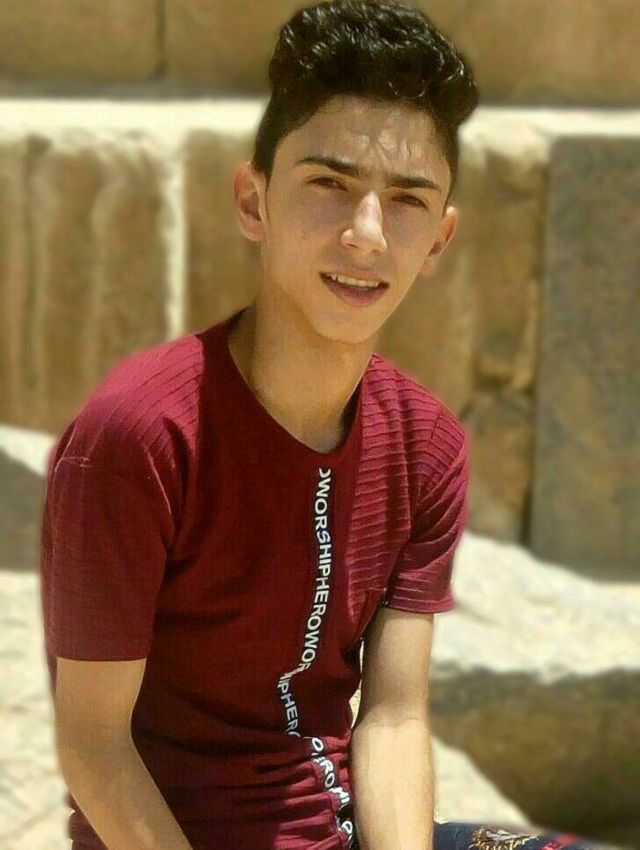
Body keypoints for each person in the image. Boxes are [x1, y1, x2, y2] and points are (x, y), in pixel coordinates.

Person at [39, 1, 609, 849]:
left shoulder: (427, 446)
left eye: (407, 200)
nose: (367, 235)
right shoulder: (139, 436)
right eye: (329, 184)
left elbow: (393, 719)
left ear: (439, 239)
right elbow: (95, 746)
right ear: (253, 200)